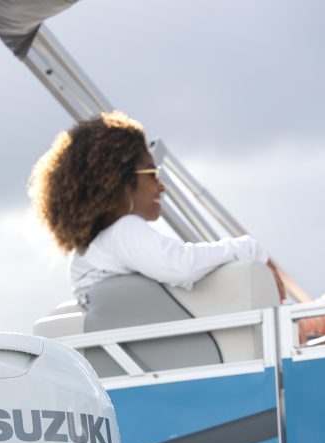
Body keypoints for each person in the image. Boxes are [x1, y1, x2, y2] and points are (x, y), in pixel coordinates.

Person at [28, 110, 286, 305]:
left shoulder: (88, 254)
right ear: (118, 182)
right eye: (152, 173)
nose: (161, 186)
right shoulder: (124, 232)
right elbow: (182, 266)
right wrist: (249, 248)